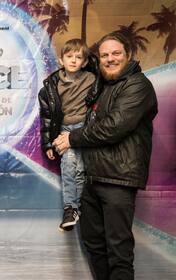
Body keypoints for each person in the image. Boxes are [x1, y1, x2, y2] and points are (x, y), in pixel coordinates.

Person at [54, 32, 158, 279]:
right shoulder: (102, 85)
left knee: (118, 252)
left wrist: (72, 137)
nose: (110, 59)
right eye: (104, 55)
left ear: (128, 55)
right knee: (94, 246)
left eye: (116, 53)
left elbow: (114, 126)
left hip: (118, 180)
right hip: (93, 179)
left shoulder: (137, 85)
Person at [38, 38, 101, 231]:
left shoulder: (92, 79)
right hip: (64, 130)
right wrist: (48, 143)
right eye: (69, 56)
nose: (74, 60)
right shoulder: (51, 86)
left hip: (84, 128)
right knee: (70, 164)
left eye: (79, 57)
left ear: (85, 62)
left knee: (79, 167)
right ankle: (73, 208)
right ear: (61, 60)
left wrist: (93, 61)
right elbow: (47, 117)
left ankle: (72, 208)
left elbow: (101, 74)